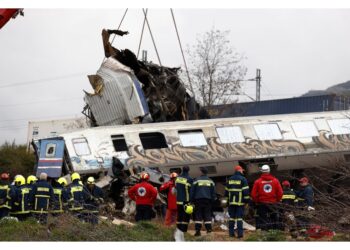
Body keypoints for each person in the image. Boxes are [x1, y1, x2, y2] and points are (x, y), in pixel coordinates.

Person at [251, 164, 283, 231]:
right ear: (269, 171)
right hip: (273, 203)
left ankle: (264, 233)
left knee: (263, 218)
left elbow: (253, 194)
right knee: (274, 218)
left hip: (262, 204)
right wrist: (277, 200)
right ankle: (274, 232)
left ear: (262, 171)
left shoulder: (258, 182)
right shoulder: (275, 181)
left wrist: (257, 201)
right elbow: (280, 193)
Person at [224, 165, 250, 238]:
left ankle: (231, 234)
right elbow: (246, 192)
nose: (242, 171)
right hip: (240, 203)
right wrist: (247, 201)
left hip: (231, 203)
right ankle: (240, 234)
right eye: (242, 170)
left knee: (232, 218)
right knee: (239, 218)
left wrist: (227, 201)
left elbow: (226, 192)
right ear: (239, 170)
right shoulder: (243, 179)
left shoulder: (230, 179)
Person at [190, 167, 216, 236]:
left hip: (198, 200)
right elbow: (213, 192)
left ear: (201, 172)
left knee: (198, 215)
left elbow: (192, 191)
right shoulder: (211, 181)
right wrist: (213, 200)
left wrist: (191, 200)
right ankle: (209, 230)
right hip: (208, 200)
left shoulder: (196, 180)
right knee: (207, 215)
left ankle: (198, 231)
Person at [175, 165, 193, 233]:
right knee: (186, 216)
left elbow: (176, 188)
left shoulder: (178, 178)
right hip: (186, 201)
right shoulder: (189, 179)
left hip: (178, 201)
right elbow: (191, 190)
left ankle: (178, 229)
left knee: (179, 216)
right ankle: (184, 230)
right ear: (188, 170)